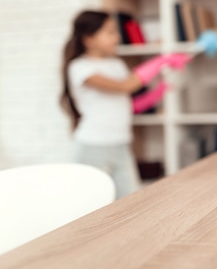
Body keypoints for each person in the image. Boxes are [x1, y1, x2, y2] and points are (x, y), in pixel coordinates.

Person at [60, 10, 188, 198]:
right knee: (91, 203)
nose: (117, 37)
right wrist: (159, 62)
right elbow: (124, 86)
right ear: (89, 39)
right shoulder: (80, 68)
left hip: (121, 144)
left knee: (128, 201)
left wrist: (155, 95)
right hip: (93, 146)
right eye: (110, 32)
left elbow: (127, 106)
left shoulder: (116, 65)